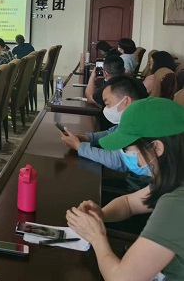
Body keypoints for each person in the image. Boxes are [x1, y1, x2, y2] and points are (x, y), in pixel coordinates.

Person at [66, 98, 184, 281]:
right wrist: (101, 215)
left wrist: (96, 237)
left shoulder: (176, 203)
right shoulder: (173, 180)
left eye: (129, 150)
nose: (128, 156)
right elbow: (129, 203)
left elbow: (121, 278)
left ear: (156, 147)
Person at [60, 76, 149, 175]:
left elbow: (118, 160)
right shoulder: (133, 119)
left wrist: (79, 146)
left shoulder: (141, 126)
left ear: (126, 101)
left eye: (107, 104)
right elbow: (111, 133)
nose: (106, 109)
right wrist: (86, 138)